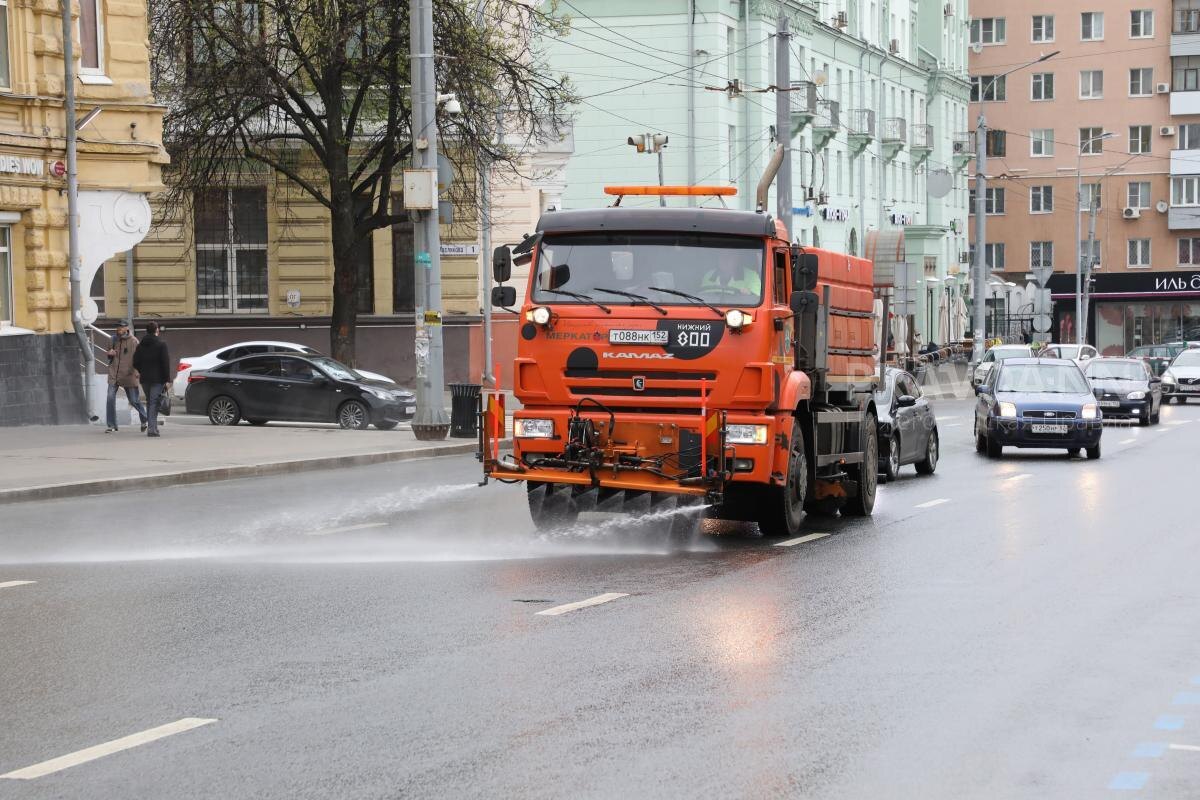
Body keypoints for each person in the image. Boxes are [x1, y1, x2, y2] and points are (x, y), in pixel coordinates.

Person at [104, 322, 148, 433]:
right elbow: (108, 354)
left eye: (121, 327)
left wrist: (138, 372)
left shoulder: (134, 341)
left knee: (133, 400)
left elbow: (140, 358)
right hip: (114, 373)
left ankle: (145, 419)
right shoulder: (112, 339)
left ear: (126, 328)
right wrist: (110, 353)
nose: (118, 329)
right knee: (110, 398)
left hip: (129, 374)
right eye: (117, 327)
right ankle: (111, 425)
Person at [133, 321, 172, 438]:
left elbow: (135, 362)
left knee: (151, 402)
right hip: (158, 379)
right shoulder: (161, 344)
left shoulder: (140, 345)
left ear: (146, 331)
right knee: (153, 403)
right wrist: (167, 379)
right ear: (157, 331)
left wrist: (142, 370)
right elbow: (165, 363)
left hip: (145, 379)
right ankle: (152, 430)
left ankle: (153, 428)